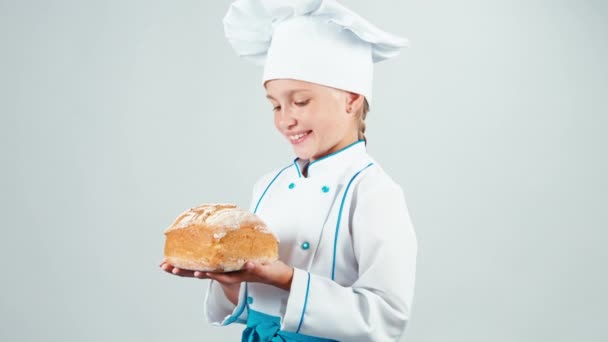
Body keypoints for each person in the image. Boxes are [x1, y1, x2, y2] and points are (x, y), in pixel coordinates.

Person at [160, 0, 418, 340]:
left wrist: (285, 278)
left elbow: (386, 320)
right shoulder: (269, 185)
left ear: (351, 99)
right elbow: (259, 307)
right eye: (275, 105)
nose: (285, 119)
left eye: (300, 101)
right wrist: (229, 280)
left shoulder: (372, 192)